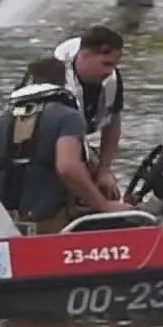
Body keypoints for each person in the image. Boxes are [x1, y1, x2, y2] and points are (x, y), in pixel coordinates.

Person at [0, 57, 132, 233]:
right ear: (63, 82)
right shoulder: (68, 117)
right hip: (55, 225)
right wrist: (105, 206)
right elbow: (67, 168)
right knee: (133, 220)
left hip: (11, 225)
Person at [50, 25, 126, 198]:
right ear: (84, 55)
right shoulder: (55, 78)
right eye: (105, 64)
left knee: (109, 189)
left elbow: (113, 122)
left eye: (113, 65)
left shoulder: (111, 79)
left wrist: (104, 169)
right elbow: (66, 163)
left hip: (76, 144)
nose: (109, 71)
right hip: (48, 152)